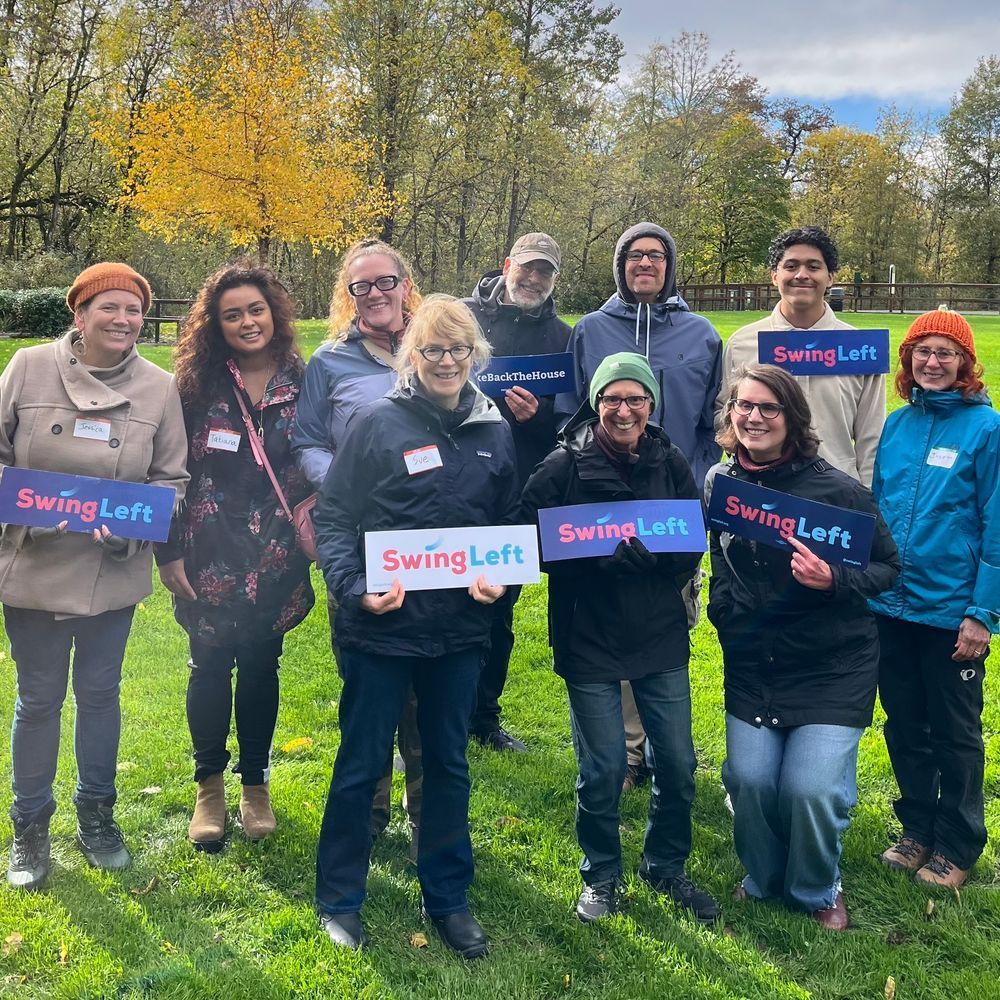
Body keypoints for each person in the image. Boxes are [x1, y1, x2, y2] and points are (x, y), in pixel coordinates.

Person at [313, 295, 518, 958]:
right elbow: (336, 517)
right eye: (433, 350)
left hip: (459, 633)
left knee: (448, 764)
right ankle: (339, 901)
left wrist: (501, 578)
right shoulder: (378, 424)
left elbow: (505, 526)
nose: (447, 361)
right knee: (361, 762)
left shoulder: (494, 430)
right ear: (413, 356)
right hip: (382, 628)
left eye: (459, 349)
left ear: (475, 354)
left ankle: (447, 897)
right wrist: (352, 588)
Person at [0, 263, 189, 890]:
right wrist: (29, 502)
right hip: (33, 563)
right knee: (39, 697)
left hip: (112, 571)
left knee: (101, 693)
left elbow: (171, 480)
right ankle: (29, 827)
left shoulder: (160, 388)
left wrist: (135, 527)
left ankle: (97, 816)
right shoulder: (27, 367)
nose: (124, 320)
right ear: (78, 314)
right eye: (109, 307)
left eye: (134, 310)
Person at [522, 352, 719, 925]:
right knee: (604, 766)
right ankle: (601, 874)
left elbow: (691, 537)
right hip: (588, 632)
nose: (624, 409)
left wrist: (657, 561)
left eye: (636, 399)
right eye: (613, 399)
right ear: (597, 403)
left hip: (657, 631)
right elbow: (530, 532)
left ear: (651, 405)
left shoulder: (671, 459)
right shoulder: (563, 464)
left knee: (678, 763)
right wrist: (587, 562)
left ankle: (665, 865)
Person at [706, 364, 899, 930]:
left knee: (809, 789)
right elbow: (719, 557)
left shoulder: (837, 491)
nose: (754, 417)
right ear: (730, 414)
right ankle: (762, 877)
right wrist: (723, 609)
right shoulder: (721, 484)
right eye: (744, 405)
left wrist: (834, 580)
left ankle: (818, 886)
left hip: (832, 663)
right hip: (755, 662)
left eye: (769, 408)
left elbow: (889, 568)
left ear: (792, 418)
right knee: (750, 781)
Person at [555, 221, 722, 790]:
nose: (645, 263)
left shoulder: (701, 333)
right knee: (610, 613)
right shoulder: (591, 330)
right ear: (620, 264)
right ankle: (627, 750)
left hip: (674, 504)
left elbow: (712, 422)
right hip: (603, 506)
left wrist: (694, 481)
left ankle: (663, 740)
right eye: (634, 255)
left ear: (670, 265)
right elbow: (571, 416)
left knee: (670, 614)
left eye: (656, 255)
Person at [156, 262, 314, 849]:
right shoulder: (195, 387)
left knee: (261, 668)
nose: (247, 322)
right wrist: (167, 553)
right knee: (208, 668)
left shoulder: (305, 378)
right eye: (232, 315)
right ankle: (209, 787)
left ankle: (255, 784)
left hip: (275, 557)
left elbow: (320, 457)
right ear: (215, 325)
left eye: (255, 309)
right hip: (208, 557)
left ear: (273, 312)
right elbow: (168, 471)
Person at [292, 238, 424, 852]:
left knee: (429, 678)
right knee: (368, 679)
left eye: (384, 282)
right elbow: (307, 441)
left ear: (405, 284)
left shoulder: (437, 348)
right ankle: (368, 807)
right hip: (360, 536)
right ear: (348, 297)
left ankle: (427, 806)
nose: (374, 295)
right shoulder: (329, 362)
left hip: (431, 536)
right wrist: (344, 484)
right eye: (360, 286)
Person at [871, 307, 1000, 889]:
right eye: (922, 350)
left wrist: (982, 612)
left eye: (946, 352)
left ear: (965, 363)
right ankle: (917, 829)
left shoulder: (988, 430)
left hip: (952, 611)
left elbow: (997, 525)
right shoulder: (897, 426)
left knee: (954, 730)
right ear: (908, 360)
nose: (932, 361)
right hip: (890, 606)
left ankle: (958, 842)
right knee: (904, 725)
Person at [463, 231, 571, 752]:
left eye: (544, 272)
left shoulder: (562, 337)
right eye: (527, 267)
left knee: (498, 608)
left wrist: (537, 419)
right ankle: (428, 720)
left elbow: (572, 424)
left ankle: (484, 719)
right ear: (507, 265)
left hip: (518, 492)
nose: (533, 278)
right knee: (438, 603)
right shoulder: (461, 316)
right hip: (451, 486)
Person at [716, 227, 885, 487]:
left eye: (813, 266)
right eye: (791, 266)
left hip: (837, 494)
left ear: (830, 277)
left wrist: (864, 497)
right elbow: (726, 415)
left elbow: (871, 435)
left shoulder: (860, 347)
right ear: (774, 276)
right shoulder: (743, 344)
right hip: (761, 494)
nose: (802, 275)